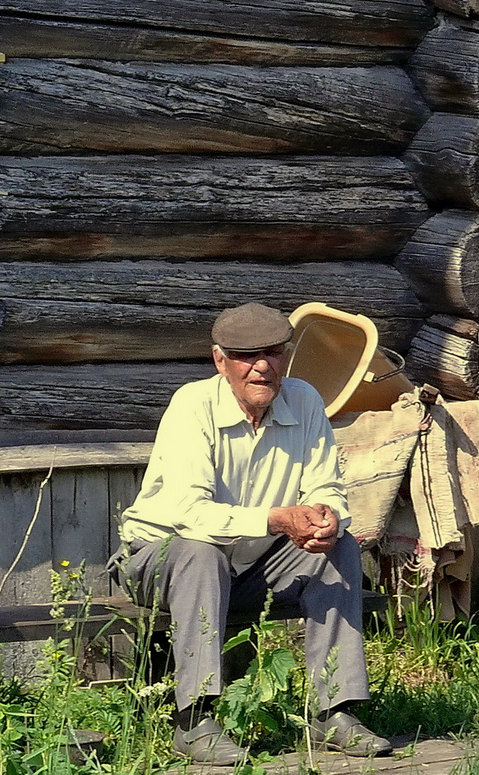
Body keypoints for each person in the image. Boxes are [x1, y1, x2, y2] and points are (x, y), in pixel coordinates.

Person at [116, 302, 391, 764]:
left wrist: (327, 517)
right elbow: (190, 515)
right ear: (220, 361)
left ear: (287, 355)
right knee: (198, 552)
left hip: (249, 569)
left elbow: (326, 484)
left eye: (274, 353)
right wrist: (276, 519)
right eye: (247, 356)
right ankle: (194, 720)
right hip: (159, 563)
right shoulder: (192, 406)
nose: (262, 367)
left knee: (339, 546)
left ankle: (336, 711)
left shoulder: (304, 400)